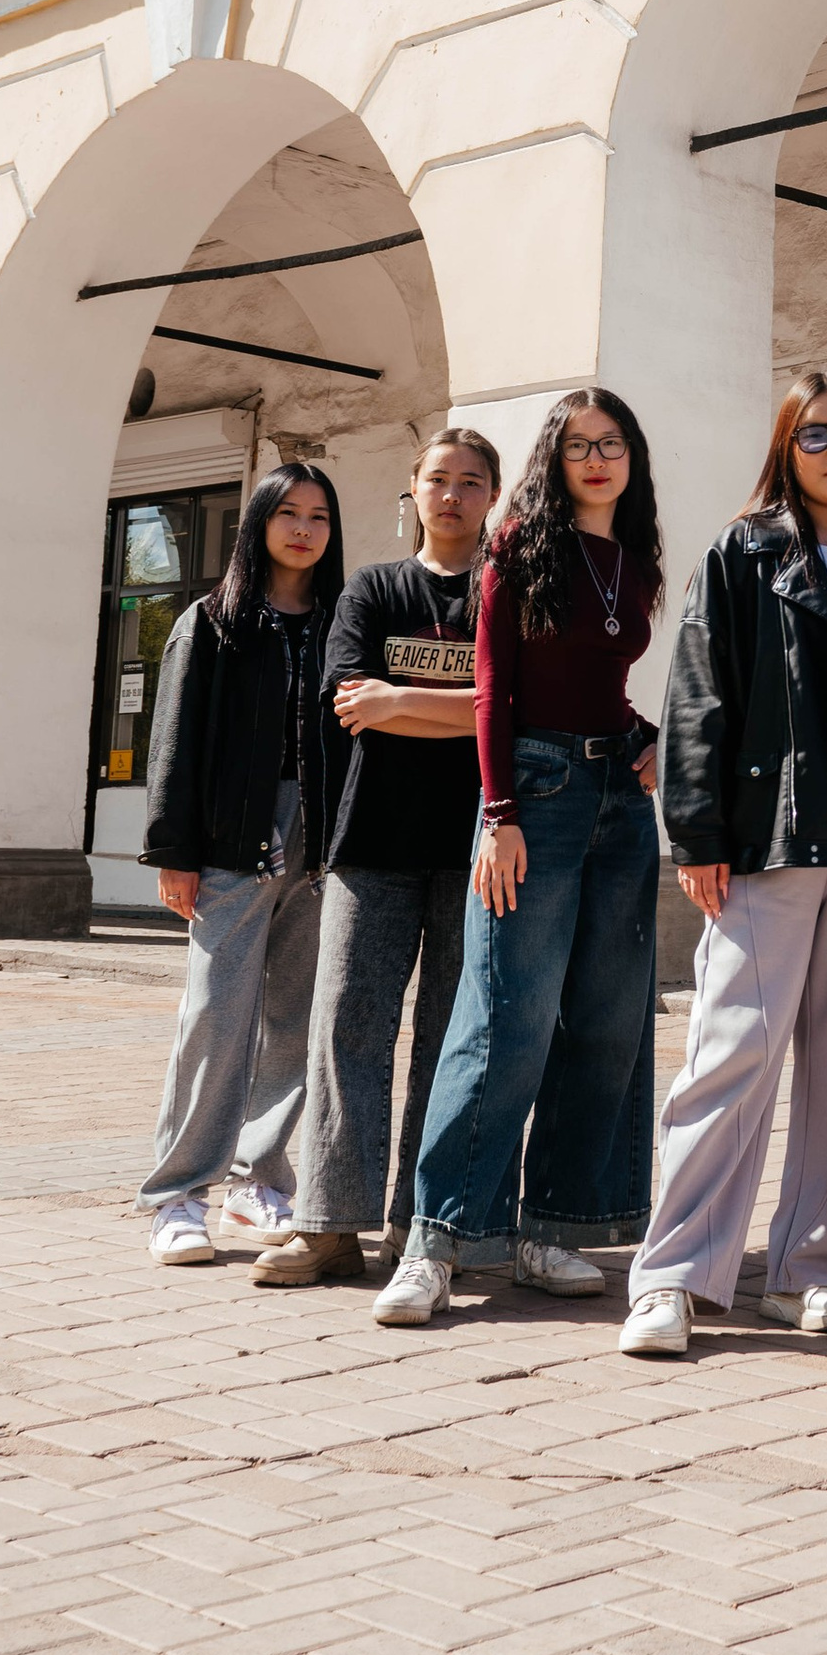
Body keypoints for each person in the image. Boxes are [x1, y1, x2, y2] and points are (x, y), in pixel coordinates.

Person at [620, 373, 827, 1360]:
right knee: (730, 1056)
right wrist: (695, 833)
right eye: (815, 434)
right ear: (787, 448)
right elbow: (699, 692)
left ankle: (812, 1268)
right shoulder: (743, 555)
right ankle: (674, 1273)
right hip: (769, 841)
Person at [376, 388, 663, 1326]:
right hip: (532, 793)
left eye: (611, 444)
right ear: (554, 457)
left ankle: (555, 1226)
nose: (596, 459)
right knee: (506, 1016)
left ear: (631, 458)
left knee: (608, 1019)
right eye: (579, 445)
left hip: (620, 795)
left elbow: (604, 685)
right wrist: (497, 812)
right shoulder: (517, 545)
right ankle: (437, 1240)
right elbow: (496, 690)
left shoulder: (634, 555)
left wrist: (644, 733)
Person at [254, 432, 501, 1288]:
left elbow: (515, 711)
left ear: (493, 495)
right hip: (372, 846)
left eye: (472, 482)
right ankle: (329, 1226)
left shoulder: (505, 595)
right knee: (346, 1028)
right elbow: (354, 704)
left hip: (478, 849)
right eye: (440, 479)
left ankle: (417, 1226)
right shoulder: (372, 589)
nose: (454, 495)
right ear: (414, 488)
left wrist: (407, 700)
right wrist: (459, 706)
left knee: (448, 1040)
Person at [137, 465, 347, 1264]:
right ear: (258, 520)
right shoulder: (213, 620)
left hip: (320, 842)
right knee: (215, 1013)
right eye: (287, 512)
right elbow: (175, 741)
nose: (302, 528)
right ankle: (176, 1194)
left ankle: (259, 1178)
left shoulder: (340, 621)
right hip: (233, 840)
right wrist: (174, 850)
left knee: (298, 1014)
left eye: (319, 515)